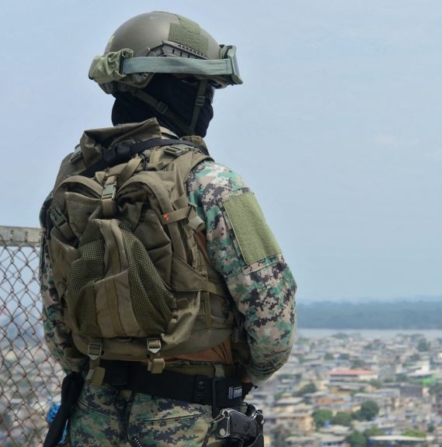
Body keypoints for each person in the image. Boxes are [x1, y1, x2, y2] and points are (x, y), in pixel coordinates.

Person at [39, 11, 296, 446]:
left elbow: (56, 324)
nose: (209, 105)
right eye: (206, 90)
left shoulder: (72, 187)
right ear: (181, 89)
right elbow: (273, 324)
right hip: (189, 417)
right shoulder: (212, 184)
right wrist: (229, 372)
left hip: (93, 417)